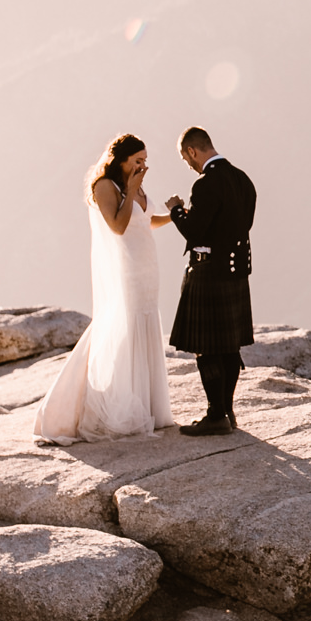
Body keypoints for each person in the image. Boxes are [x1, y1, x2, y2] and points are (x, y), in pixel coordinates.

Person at [36, 134, 176, 443]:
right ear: (121, 159)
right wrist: (130, 187)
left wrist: (177, 216)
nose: (143, 165)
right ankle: (78, 407)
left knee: (145, 323)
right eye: (137, 160)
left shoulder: (133, 185)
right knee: (121, 328)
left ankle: (148, 405)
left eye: (145, 160)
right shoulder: (106, 186)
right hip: (126, 270)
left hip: (147, 268)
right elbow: (118, 225)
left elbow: (145, 220)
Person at [164, 125, 256, 436]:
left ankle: (216, 415)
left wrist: (177, 211)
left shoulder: (205, 185)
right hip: (235, 272)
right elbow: (241, 225)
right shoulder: (244, 181)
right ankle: (227, 410)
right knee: (229, 347)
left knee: (207, 348)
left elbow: (194, 232)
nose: (188, 164)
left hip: (208, 272)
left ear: (192, 151)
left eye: (185, 157)